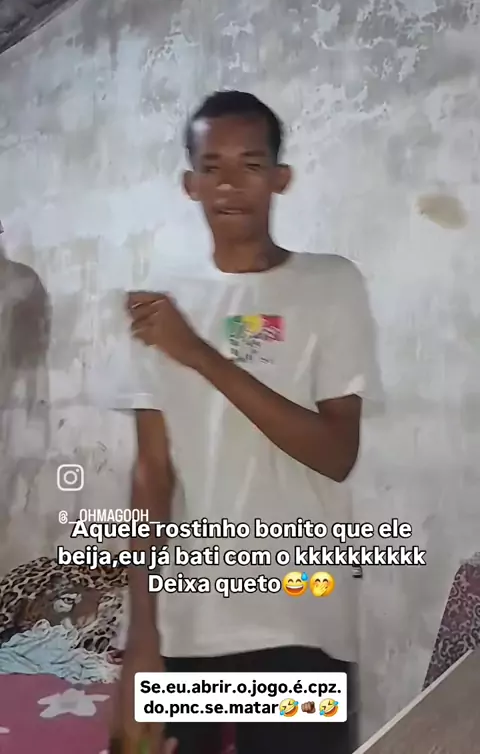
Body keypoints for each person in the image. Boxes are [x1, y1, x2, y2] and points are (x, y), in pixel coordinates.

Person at [109, 91, 381, 754]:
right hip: (186, 626)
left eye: (250, 165)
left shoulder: (331, 285)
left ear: (280, 178)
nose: (230, 184)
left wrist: (201, 354)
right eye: (213, 166)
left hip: (303, 620)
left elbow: (336, 452)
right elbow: (152, 476)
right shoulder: (158, 307)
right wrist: (141, 637)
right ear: (191, 183)